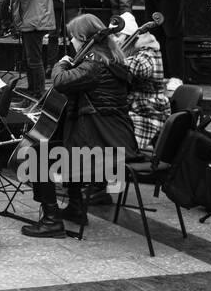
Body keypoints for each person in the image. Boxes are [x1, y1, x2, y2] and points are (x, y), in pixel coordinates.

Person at [22, 14, 137, 238]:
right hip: (116, 138)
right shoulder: (112, 60)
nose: (71, 43)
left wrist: (61, 62)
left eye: (73, 38)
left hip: (102, 143)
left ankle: (51, 220)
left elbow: (60, 81)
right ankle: (75, 208)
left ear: (83, 38)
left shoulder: (94, 64)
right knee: (67, 139)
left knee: (37, 154)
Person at [110, 12, 170, 152]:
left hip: (148, 112)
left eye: (117, 35)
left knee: (117, 145)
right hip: (132, 108)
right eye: (112, 35)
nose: (113, 39)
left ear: (131, 36)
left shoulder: (148, 52)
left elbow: (140, 67)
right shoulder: (130, 52)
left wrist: (108, 59)